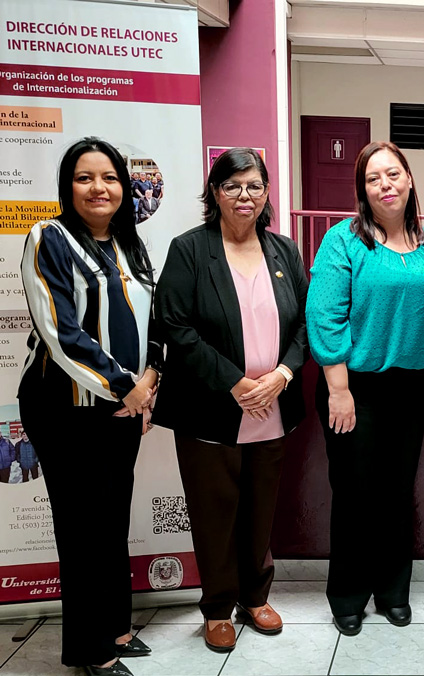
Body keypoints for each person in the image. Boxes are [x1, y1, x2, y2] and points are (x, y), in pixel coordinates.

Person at [153, 148, 309, 653]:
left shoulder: (284, 251)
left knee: (260, 510)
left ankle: (255, 597)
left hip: (272, 407)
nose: (245, 196)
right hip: (211, 409)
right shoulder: (190, 250)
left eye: (254, 186)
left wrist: (283, 374)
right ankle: (218, 607)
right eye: (232, 186)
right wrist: (234, 383)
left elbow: (308, 323)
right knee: (214, 512)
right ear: (215, 193)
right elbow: (175, 326)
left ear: (266, 193)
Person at [19, 137, 161, 676]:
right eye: (85, 178)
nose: (99, 188)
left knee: (111, 520)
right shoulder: (48, 238)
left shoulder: (132, 245)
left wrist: (149, 383)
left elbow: (153, 326)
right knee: (81, 528)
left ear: (125, 187)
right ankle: (89, 650)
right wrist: (127, 385)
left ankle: (118, 628)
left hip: (124, 407)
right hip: (66, 408)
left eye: (109, 178)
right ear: (67, 186)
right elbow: (60, 331)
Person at [306, 141, 424, 637]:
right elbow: (324, 317)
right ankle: (348, 595)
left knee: (396, 495)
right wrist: (338, 389)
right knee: (354, 496)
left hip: (411, 390)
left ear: (409, 180)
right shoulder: (343, 241)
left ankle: (393, 591)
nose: (384, 185)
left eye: (392, 174)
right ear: (362, 191)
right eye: (373, 179)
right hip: (356, 389)